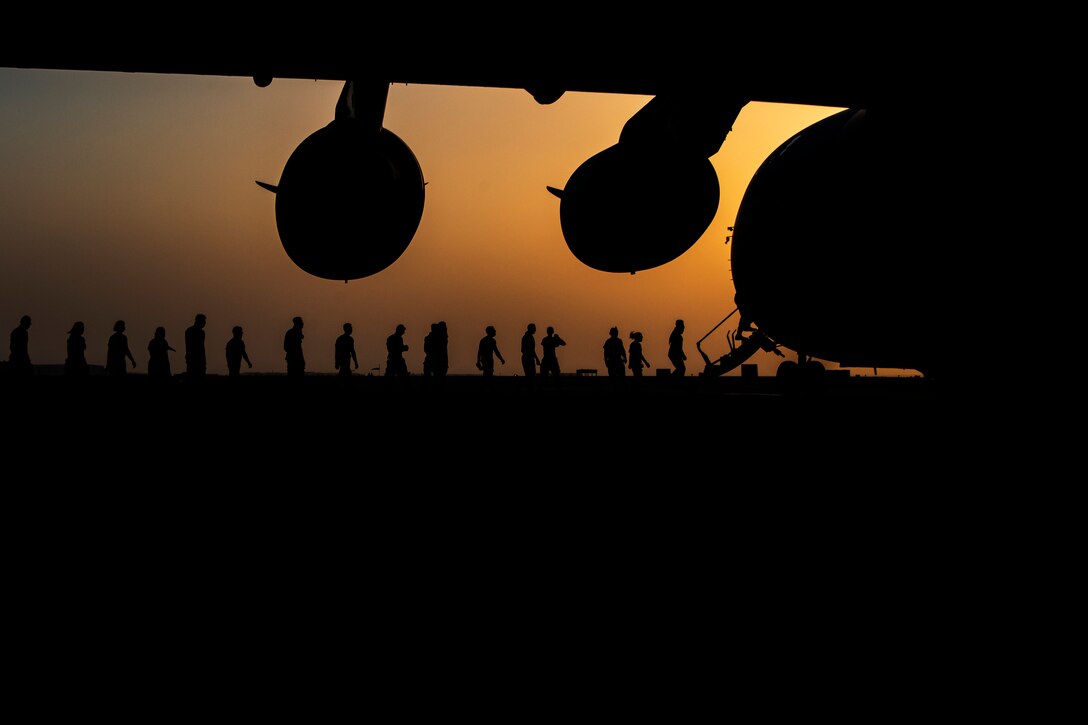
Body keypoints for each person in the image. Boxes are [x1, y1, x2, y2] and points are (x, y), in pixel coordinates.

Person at [185, 313, 207, 381]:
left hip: (200, 359)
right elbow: (190, 346)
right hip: (193, 359)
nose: (205, 323)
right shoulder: (190, 331)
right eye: (203, 321)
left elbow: (202, 347)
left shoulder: (202, 332)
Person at [284, 316, 305, 381]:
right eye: (301, 322)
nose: (302, 324)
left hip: (297, 360)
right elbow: (286, 347)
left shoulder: (295, 333)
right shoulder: (291, 333)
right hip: (293, 361)